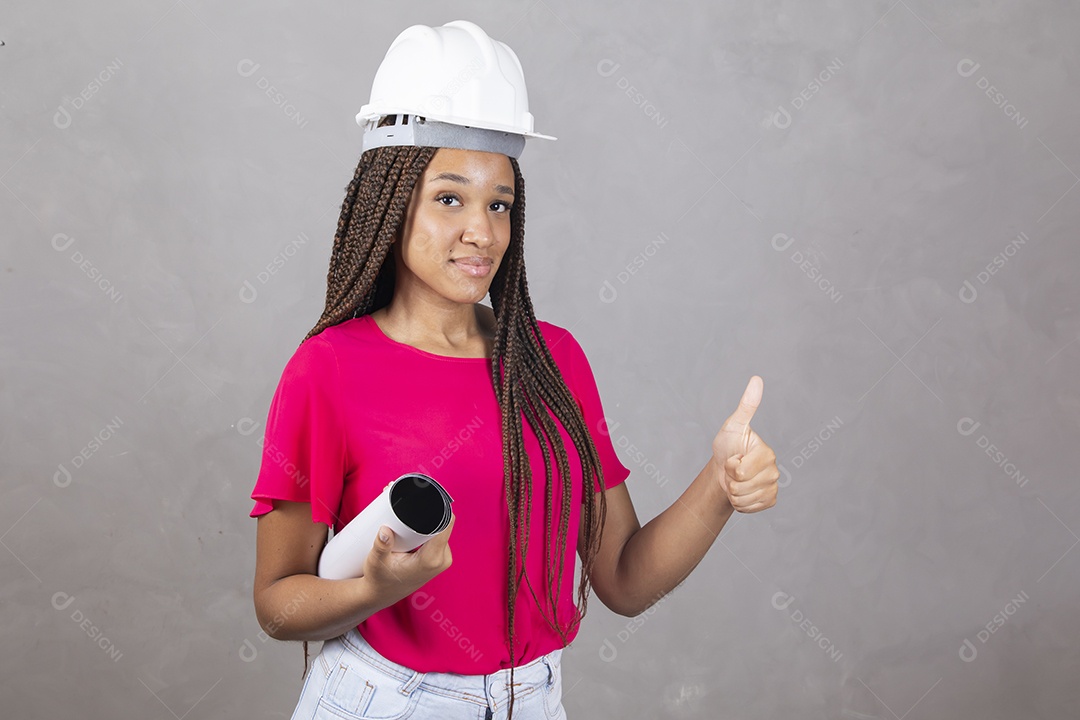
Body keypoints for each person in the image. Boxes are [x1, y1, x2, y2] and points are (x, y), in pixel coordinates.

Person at [249, 19, 780, 720]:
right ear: (390, 203)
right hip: (387, 702)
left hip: (532, 700)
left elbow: (623, 579)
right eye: (449, 198)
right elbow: (277, 605)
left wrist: (719, 484)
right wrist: (374, 591)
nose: (483, 231)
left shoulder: (552, 360)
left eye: (499, 204)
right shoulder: (328, 371)